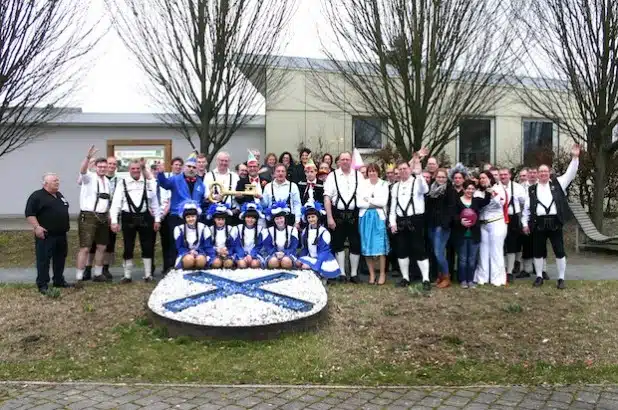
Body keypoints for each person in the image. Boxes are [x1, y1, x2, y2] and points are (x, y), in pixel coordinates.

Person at [522, 144, 580, 289]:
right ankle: (539, 277)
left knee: (559, 251)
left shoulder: (558, 183)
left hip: (555, 222)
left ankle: (561, 278)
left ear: (549, 172)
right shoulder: (532, 189)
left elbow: (571, 173)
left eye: (545, 171)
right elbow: (527, 209)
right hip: (538, 223)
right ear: (537, 174)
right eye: (540, 172)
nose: (542, 174)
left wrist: (575, 158)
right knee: (538, 251)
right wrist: (524, 223)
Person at [110, 160, 161, 283]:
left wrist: (157, 220)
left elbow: (155, 203)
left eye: (138, 168)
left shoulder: (148, 183)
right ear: (129, 170)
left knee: (147, 245)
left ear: (141, 169)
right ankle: (127, 275)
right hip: (128, 217)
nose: (136, 171)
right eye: (133, 168)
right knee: (128, 246)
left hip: (145, 216)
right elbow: (116, 203)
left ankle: (148, 275)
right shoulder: (122, 183)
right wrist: (114, 221)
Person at [156, 152, 210, 267]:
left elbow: (202, 200)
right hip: (177, 217)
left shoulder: (201, 184)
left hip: (193, 218)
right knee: (174, 242)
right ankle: (171, 267)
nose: (191, 169)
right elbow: (164, 184)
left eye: (194, 167)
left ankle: (190, 264)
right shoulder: (175, 179)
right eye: (189, 166)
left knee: (192, 242)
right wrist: (160, 173)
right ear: (184, 167)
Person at [389, 151, 431, 290]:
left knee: (419, 249)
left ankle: (425, 279)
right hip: (401, 220)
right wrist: (393, 222)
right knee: (401, 249)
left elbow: (425, 190)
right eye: (400, 169)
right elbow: (393, 207)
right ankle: (405, 278)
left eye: (405, 168)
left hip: (416, 219)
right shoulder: (395, 187)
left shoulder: (417, 181)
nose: (402, 171)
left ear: (409, 169)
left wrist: (419, 173)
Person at [25, 173, 72, 293]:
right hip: (46, 235)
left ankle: (58, 280)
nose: (57, 182)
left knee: (60, 259)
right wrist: (37, 227)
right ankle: (42, 284)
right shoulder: (37, 196)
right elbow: (30, 214)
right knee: (44, 260)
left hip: (61, 234)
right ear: (45, 183)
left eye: (58, 180)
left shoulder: (59, 195)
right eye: (54, 181)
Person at [324, 151, 363, 283]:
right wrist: (330, 217)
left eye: (347, 159)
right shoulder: (332, 176)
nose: (345, 161)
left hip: (354, 215)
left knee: (355, 243)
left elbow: (364, 195)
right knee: (338, 243)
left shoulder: (359, 176)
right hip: (338, 214)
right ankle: (341, 273)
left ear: (351, 161)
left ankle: (353, 274)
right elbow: (327, 198)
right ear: (339, 162)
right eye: (343, 159)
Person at [75, 146, 112, 285]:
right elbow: (83, 170)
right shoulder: (89, 177)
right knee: (85, 247)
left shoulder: (107, 182)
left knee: (102, 246)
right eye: (100, 167)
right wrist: (88, 158)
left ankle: (98, 273)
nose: (102, 169)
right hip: (88, 216)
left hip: (103, 217)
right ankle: (79, 277)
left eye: (104, 167)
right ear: (95, 167)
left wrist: (108, 215)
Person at [84, 156, 118, 281]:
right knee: (92, 244)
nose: (111, 166)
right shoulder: (94, 177)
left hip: (111, 216)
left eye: (114, 164)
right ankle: (87, 269)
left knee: (108, 244)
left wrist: (113, 216)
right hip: (95, 215)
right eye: (109, 164)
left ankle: (105, 268)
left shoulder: (119, 180)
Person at [453, 180, 491, 289]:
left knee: (472, 258)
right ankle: (463, 280)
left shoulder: (477, 201)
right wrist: (459, 221)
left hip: (474, 234)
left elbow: (486, 201)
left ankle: (470, 280)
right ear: (464, 189)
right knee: (463, 259)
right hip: (461, 234)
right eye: (468, 188)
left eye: (472, 189)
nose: (470, 191)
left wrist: (488, 190)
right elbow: (453, 215)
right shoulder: (457, 201)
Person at [357, 163, 390, 285]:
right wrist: (372, 202)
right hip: (365, 216)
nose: (372, 173)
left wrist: (368, 200)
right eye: (369, 171)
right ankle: (372, 274)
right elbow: (359, 203)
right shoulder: (362, 184)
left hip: (379, 217)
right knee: (366, 246)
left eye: (374, 171)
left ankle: (382, 274)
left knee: (380, 246)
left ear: (378, 172)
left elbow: (383, 202)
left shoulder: (383, 184)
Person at [474, 171, 508, 286]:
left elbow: (502, 203)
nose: (482, 180)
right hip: (483, 224)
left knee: (496, 251)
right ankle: (482, 277)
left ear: (490, 178)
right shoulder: (478, 192)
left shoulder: (498, 188)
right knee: (483, 252)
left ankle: (497, 278)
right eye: (480, 178)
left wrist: (494, 196)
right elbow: (477, 206)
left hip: (496, 222)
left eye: (484, 177)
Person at [426, 168, 458, 288]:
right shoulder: (431, 189)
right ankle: (440, 276)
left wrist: (445, 223)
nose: (441, 179)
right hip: (432, 224)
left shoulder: (450, 191)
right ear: (435, 177)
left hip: (442, 226)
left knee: (439, 252)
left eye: (443, 177)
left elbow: (452, 209)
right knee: (435, 252)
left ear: (447, 178)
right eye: (439, 177)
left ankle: (446, 276)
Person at [297, 201, 341, 282]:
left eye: (313, 217)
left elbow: (324, 252)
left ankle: (320, 276)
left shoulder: (324, 232)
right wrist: (299, 259)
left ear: (317, 217)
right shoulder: (305, 231)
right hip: (311, 257)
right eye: (309, 217)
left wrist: (316, 265)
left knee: (305, 266)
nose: (311, 219)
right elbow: (305, 248)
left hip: (323, 259)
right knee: (298, 263)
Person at [499, 167, 527, 284]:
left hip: (512, 218)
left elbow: (524, 203)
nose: (503, 176)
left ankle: (509, 272)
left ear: (510, 175)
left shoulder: (517, 188)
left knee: (511, 245)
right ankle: (501, 269)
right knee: (500, 245)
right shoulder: (495, 187)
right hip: (499, 218)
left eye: (505, 174)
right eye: (501, 175)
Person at [174, 202, 214, 270]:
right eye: (188, 217)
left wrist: (197, 251)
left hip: (200, 252)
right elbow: (179, 247)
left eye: (193, 216)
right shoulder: (179, 229)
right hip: (185, 254)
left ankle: (199, 272)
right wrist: (189, 252)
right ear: (184, 218)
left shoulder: (204, 227)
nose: (191, 219)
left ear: (197, 217)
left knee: (200, 260)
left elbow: (207, 246)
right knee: (189, 260)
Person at [262, 163, 302, 228]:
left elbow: (297, 204)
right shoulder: (268, 186)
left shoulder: (293, 186)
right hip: (272, 222)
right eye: (278, 171)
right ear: (274, 173)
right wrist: (260, 198)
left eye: (283, 171)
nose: (280, 173)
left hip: (289, 221)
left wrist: (297, 221)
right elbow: (264, 205)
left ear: (286, 173)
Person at [205, 152, 240, 223]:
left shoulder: (235, 176)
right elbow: (206, 194)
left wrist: (239, 195)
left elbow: (239, 192)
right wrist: (214, 197)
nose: (223, 163)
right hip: (215, 213)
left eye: (226, 161)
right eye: (221, 160)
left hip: (231, 213)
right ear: (217, 161)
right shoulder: (209, 176)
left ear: (229, 162)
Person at [262, 201, 299, 269]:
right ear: (274, 220)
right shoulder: (268, 231)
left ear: (285, 218)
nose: (279, 221)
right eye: (277, 219)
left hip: (289, 254)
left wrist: (284, 253)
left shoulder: (292, 230)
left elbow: (293, 247)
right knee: (273, 262)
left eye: (281, 218)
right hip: (273, 254)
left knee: (286, 261)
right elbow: (268, 246)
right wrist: (275, 253)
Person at [207, 203, 238, 269]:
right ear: (214, 219)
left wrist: (227, 251)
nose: (220, 222)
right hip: (214, 253)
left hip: (227, 253)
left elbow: (234, 245)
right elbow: (207, 246)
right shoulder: (209, 229)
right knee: (216, 263)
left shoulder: (231, 229)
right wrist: (217, 250)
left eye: (222, 219)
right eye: (218, 219)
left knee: (228, 264)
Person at [235, 203, 265, 269]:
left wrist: (251, 255)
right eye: (248, 217)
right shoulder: (238, 228)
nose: (250, 220)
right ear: (244, 218)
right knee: (242, 264)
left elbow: (259, 246)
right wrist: (243, 255)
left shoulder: (260, 229)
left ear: (256, 219)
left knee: (254, 264)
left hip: (255, 254)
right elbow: (237, 245)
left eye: (253, 218)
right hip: (241, 254)